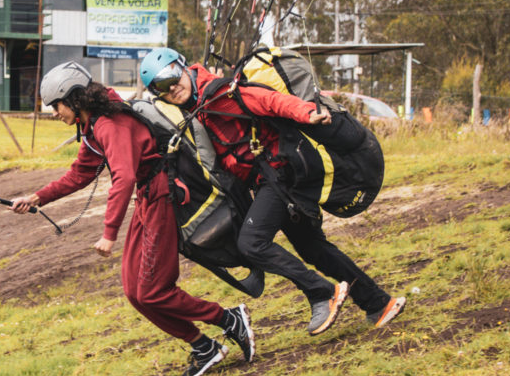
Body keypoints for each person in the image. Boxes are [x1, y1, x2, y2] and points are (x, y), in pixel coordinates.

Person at [10, 61, 256, 376]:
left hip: (162, 197)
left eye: (55, 106)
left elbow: (123, 178)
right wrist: (37, 198)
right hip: (148, 198)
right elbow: (80, 173)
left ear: (72, 98)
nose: (54, 113)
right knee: (135, 292)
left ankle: (229, 319)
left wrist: (109, 233)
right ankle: (203, 346)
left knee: (153, 290)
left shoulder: (110, 124)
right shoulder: (92, 126)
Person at [139, 48, 406, 337]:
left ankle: (322, 293)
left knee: (252, 243)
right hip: (272, 180)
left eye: (173, 77)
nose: (173, 87)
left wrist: (306, 113)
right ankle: (379, 303)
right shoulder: (193, 110)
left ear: (182, 67)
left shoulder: (219, 94)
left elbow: (269, 101)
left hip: (281, 174)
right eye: (162, 87)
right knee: (312, 248)